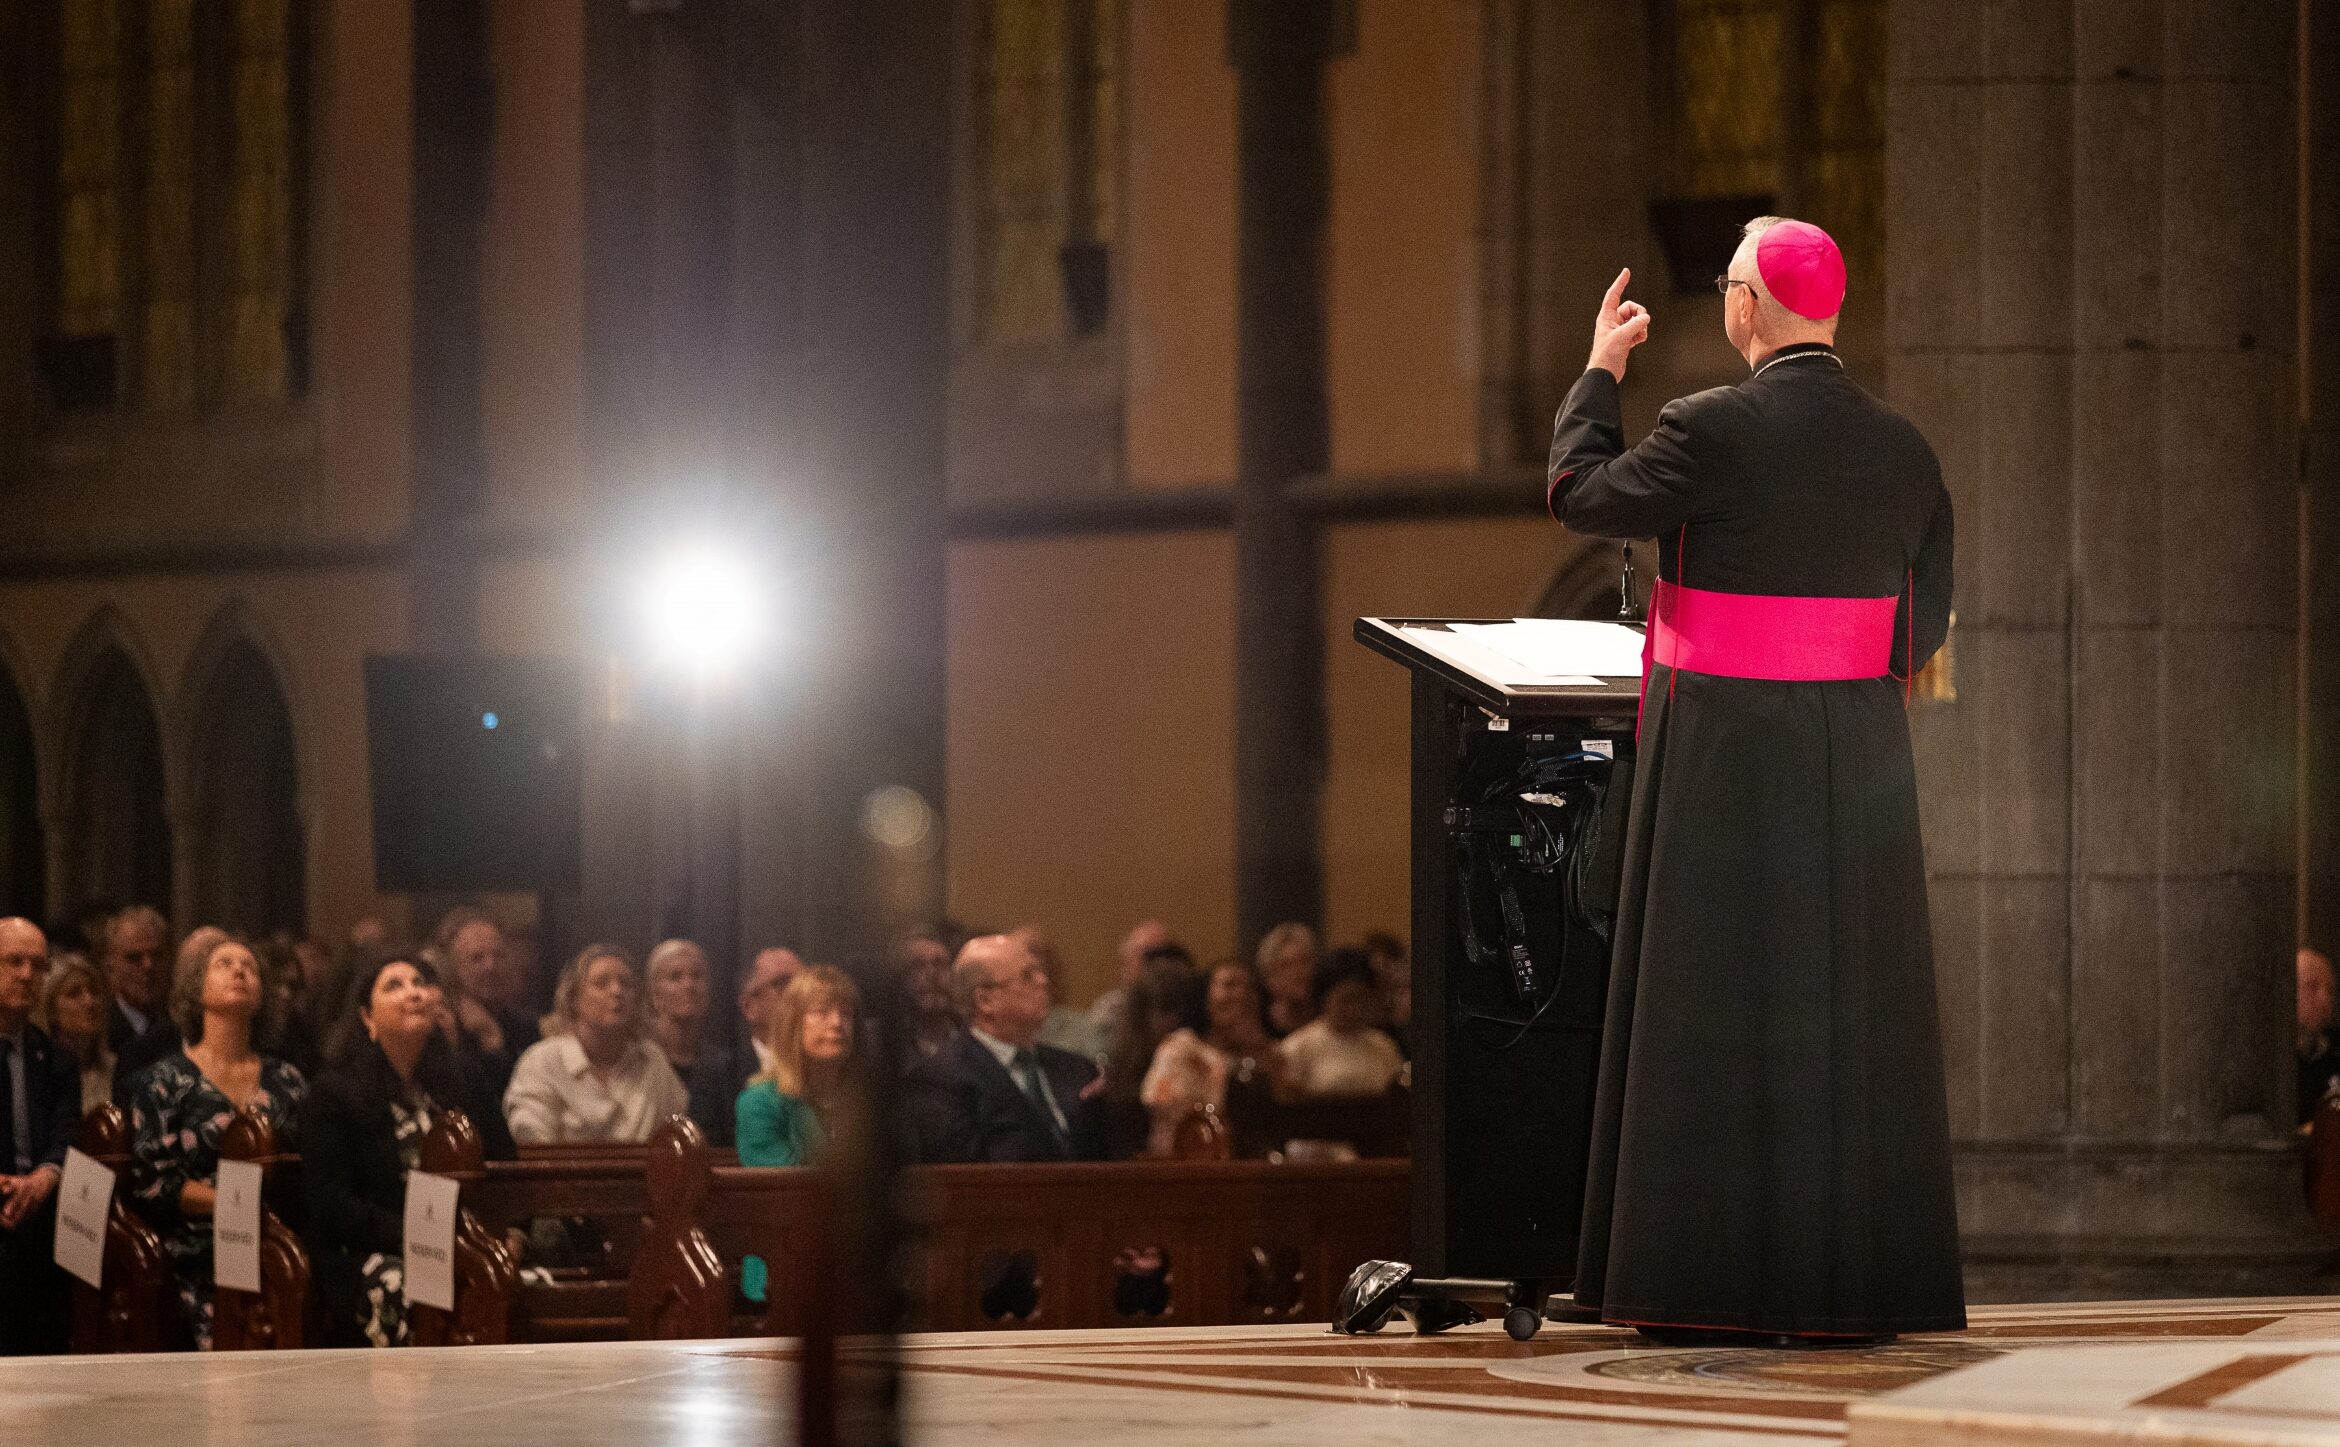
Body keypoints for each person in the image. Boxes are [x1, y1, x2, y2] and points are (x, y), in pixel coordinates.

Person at [1546, 217, 1962, 1345]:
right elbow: (1922, 622)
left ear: (1745, 309)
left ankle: (1698, 1283)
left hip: (1725, 754)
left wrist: (1600, 368)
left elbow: (1582, 494)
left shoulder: (1706, 427)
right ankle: (1854, 1287)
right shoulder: (1906, 449)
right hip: (1860, 759)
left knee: (1711, 1000)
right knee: (1845, 1004)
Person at [304, 950, 515, 1347]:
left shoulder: (462, 1078)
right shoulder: (335, 1092)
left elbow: (502, 1160)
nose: (414, 993)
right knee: (408, 1287)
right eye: (395, 986)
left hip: (461, 1242)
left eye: (420, 983)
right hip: (372, 1249)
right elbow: (331, 1202)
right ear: (367, 1017)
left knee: (519, 1278)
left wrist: (509, 1233)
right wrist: (420, 1238)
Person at [125, 934, 307, 1348]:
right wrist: (233, 1206)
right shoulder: (165, 1081)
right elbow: (153, 1183)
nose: (239, 971)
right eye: (223, 963)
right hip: (198, 1247)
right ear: (196, 988)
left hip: (277, 1240)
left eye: (250, 967)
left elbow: (305, 1168)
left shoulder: (288, 1080)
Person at [911, 933, 1103, 1163]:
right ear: (986, 1001)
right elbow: (969, 1174)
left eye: (1040, 972)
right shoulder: (942, 1079)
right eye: (1027, 976)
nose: (1043, 981)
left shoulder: (1077, 1069)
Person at [734, 965, 860, 1301]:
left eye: (845, 1014)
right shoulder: (760, 1103)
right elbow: (790, 1191)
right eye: (821, 1013)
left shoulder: (865, 1104)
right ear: (792, 1024)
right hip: (784, 1269)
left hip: (856, 1268)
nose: (837, 1023)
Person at [502, 944, 687, 1145]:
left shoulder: (652, 1060)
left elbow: (676, 1136)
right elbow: (534, 1144)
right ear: (574, 999)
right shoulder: (543, 1061)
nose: (617, 991)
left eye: (626, 984)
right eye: (601, 983)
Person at [0, 917, 79, 1355]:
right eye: (13, 962)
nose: (27, 975)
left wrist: (45, 1177)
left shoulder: (57, 1059)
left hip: (40, 1214)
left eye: (37, 965)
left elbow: (67, 1131)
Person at [1101, 958, 1207, 1157]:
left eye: (1181, 1010)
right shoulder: (1124, 1076)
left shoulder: (1206, 1063)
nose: (1175, 1019)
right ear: (1142, 1014)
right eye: (1166, 1009)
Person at [430, 908, 537, 1094]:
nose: (491, 966)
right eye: (477, 958)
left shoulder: (525, 1027)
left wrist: (492, 1039)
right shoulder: (440, 1028)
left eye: (499, 955)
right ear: (452, 969)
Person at [1276, 949, 1404, 1100]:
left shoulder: (1383, 1045)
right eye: (1346, 1000)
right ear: (1324, 999)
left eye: (1361, 999)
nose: (1354, 1009)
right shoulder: (1298, 1047)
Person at [646, 938, 738, 1145]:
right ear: (654, 993)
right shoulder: (640, 1060)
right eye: (675, 977)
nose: (689, 985)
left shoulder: (722, 1066)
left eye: (697, 976)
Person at [104, 905, 180, 1093]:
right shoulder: (99, 1031)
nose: (148, 966)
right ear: (110, 964)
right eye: (134, 958)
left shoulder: (182, 1027)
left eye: (157, 955)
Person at [35, 951, 116, 1113]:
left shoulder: (117, 1069)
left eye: (94, 992)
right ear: (51, 1010)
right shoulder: (38, 1075)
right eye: (74, 994)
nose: (89, 1002)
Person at [1085, 919, 1172, 1051]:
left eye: (1161, 955)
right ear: (1125, 963)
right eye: (1146, 955)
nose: (1156, 964)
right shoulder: (1109, 1012)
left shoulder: (1185, 1006)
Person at [739, 946, 807, 1076]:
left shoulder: (823, 1067)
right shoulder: (723, 1074)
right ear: (750, 1007)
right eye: (783, 984)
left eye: (801, 984)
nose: (797, 995)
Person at [1254, 922, 1320, 1038]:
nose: (1298, 971)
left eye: (1304, 962)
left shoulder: (1328, 1019)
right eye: (1285, 965)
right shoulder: (1257, 1025)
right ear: (1269, 977)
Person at [2300, 948, 2339, 1129]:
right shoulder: (2267, 1060)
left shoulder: (2335, 1051)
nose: (2324, 999)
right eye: (2312, 987)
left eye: (2329, 990)